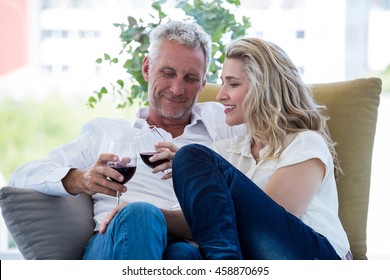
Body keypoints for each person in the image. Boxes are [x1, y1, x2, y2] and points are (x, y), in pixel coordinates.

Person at [8, 20, 244, 260]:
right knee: (140, 214)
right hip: (116, 242)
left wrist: (192, 164)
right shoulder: (106, 132)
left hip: (189, 247)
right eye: (168, 73)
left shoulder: (226, 125)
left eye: (191, 78)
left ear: (204, 83)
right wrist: (80, 178)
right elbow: (21, 177)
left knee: (183, 253)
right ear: (146, 69)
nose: (176, 89)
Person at [171, 37, 351, 259]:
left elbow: (268, 228)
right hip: (258, 260)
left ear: (264, 88)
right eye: (222, 82)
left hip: (312, 257)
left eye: (233, 83)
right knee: (180, 253)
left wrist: (197, 170)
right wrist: (148, 212)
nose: (220, 95)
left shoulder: (305, 143)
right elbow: (204, 220)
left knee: (192, 156)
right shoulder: (225, 150)